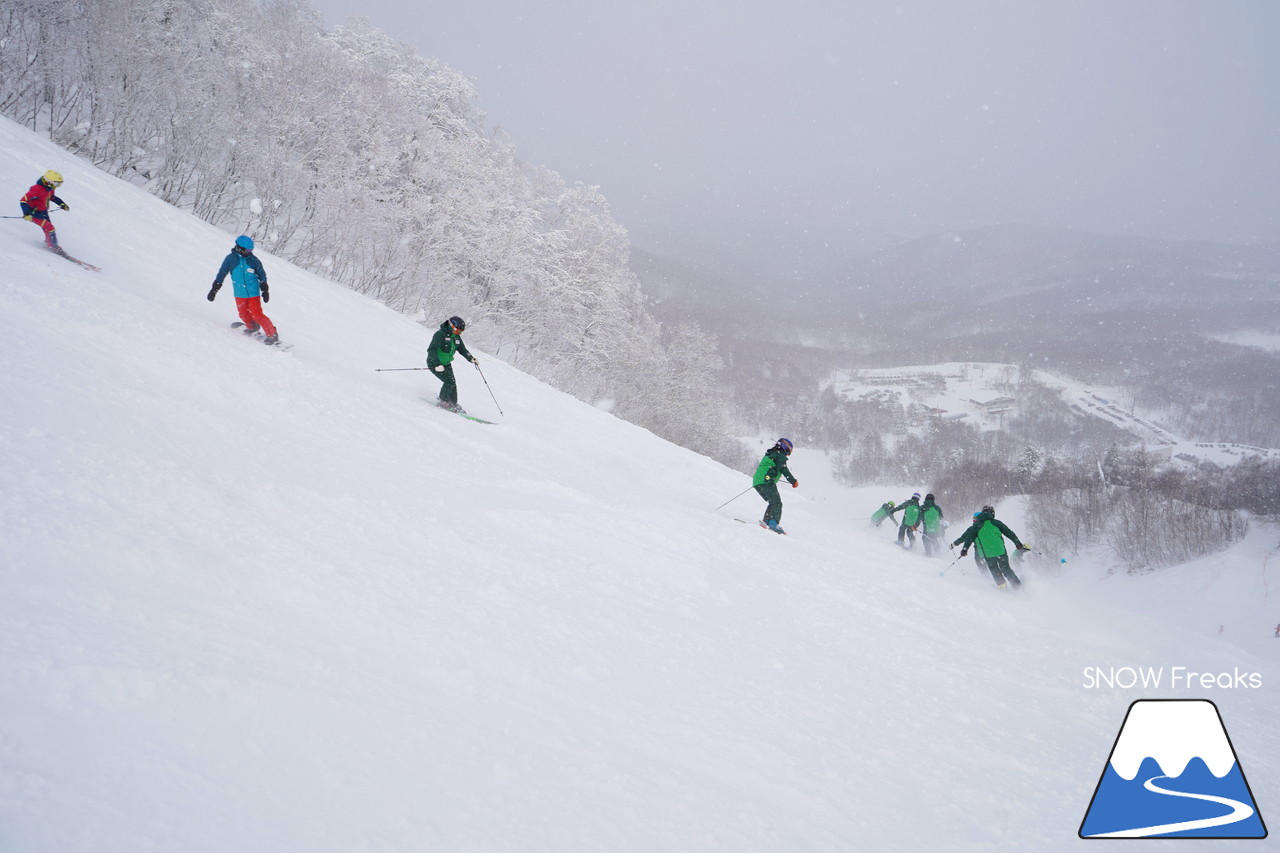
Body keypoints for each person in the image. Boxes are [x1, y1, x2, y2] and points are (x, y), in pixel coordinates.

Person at [208, 236, 279, 345]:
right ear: (239, 247)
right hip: (239, 292)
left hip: (253, 292)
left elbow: (262, 275)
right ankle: (252, 327)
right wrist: (214, 289)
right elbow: (222, 273)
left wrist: (264, 289)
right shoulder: (230, 259)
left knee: (257, 314)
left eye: (251, 250)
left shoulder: (253, 260)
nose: (249, 252)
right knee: (242, 313)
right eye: (247, 250)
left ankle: (272, 333)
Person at [952, 504, 1031, 590]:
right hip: (1001, 551)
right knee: (1006, 569)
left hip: (988, 553)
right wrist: (1018, 543)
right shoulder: (997, 523)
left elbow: (969, 538)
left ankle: (1002, 586)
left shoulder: (976, 526)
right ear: (992, 513)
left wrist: (965, 550)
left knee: (994, 569)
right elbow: (1009, 533)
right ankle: (1018, 586)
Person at [427, 315, 478, 412]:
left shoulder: (456, 337)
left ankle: (453, 403)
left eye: (460, 332)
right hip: (434, 363)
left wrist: (471, 358)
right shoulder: (440, 335)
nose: (459, 333)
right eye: (458, 331)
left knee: (453, 382)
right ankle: (443, 402)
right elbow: (431, 350)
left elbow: (462, 349)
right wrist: (437, 364)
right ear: (451, 326)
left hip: (446, 364)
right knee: (448, 382)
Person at [752, 438, 798, 534]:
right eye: (789, 451)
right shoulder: (779, 455)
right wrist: (793, 481)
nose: (788, 454)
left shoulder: (771, 454)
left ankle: (766, 521)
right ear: (786, 448)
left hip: (757, 482)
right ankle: (773, 523)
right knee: (777, 503)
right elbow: (783, 468)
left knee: (772, 502)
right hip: (766, 481)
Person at [19, 169, 69, 249]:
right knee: (50, 227)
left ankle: (51, 244)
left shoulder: (50, 189)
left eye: (59, 184)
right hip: (33, 213)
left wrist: (62, 204)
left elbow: (52, 198)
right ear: (48, 181)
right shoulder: (36, 189)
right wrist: (26, 214)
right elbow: (23, 201)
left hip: (43, 212)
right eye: (56, 183)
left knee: (48, 228)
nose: (56, 186)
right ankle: (53, 246)